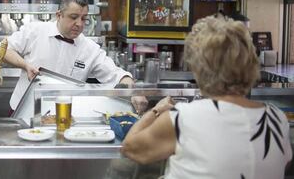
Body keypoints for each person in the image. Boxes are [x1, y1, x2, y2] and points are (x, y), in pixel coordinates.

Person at [121, 15, 292, 179]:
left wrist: (157, 110)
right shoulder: (277, 119)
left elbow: (130, 148)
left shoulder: (185, 119)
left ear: (199, 67)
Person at [0, 0, 148, 114]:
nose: (79, 24)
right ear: (59, 15)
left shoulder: (89, 49)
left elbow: (117, 74)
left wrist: (135, 91)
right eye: (73, 17)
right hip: (23, 111)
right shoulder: (35, 31)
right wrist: (25, 65)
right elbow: (0, 50)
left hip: (64, 116)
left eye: (84, 19)